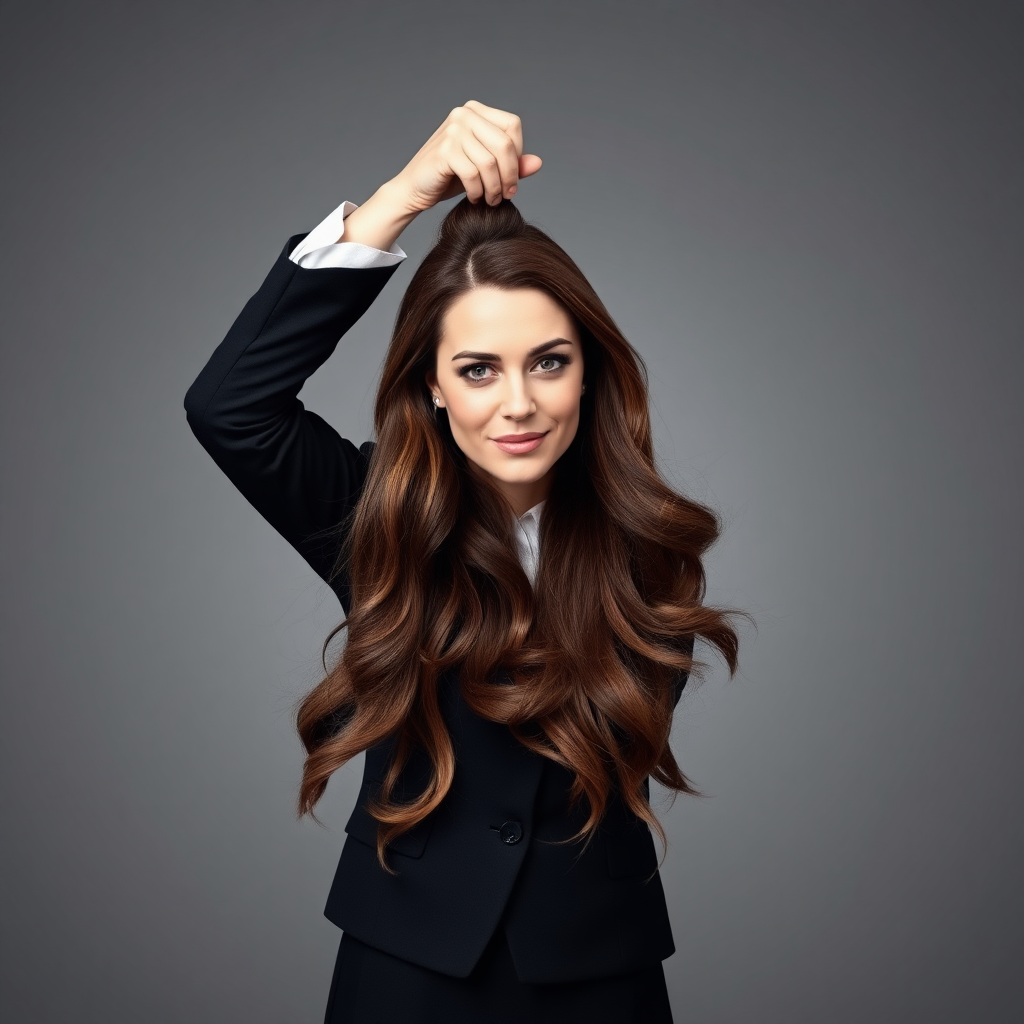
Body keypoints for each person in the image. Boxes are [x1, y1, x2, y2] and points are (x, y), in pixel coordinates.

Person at [184, 101, 741, 1023]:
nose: (517, 403)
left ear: (588, 372)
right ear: (433, 387)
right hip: (406, 967)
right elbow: (230, 406)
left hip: (601, 969)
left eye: (549, 363)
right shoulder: (377, 521)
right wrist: (399, 199)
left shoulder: (653, 547)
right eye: (478, 368)